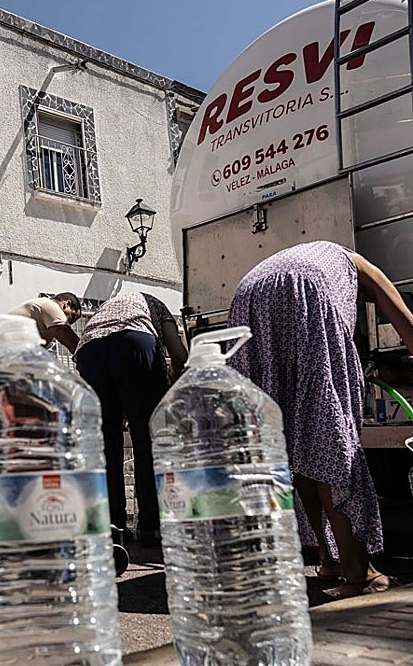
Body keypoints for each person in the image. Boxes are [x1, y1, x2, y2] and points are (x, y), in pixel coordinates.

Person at [228, 241, 413, 598]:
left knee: (289, 444)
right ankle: (359, 575)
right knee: (326, 435)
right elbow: (407, 324)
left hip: (246, 299)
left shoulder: (321, 258)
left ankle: (328, 558)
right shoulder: (360, 268)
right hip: (304, 291)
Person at [73, 292, 189, 545]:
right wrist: (174, 373)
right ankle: (149, 526)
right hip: (134, 342)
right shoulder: (157, 305)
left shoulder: (107, 308)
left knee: (107, 444)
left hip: (88, 350)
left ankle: (113, 527)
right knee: (148, 437)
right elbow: (179, 354)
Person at [9, 293, 81, 353]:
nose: (71, 323)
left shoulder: (45, 321)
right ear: (66, 304)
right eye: (73, 316)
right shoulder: (50, 305)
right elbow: (74, 344)